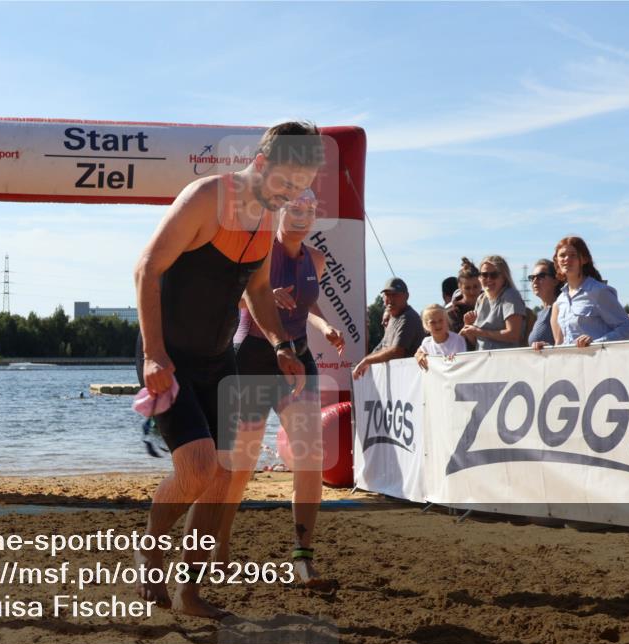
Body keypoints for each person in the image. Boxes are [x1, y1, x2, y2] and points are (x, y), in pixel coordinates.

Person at [133, 121, 322, 617]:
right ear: (260, 163)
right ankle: (150, 546)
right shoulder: (206, 198)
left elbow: (256, 289)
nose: (290, 196)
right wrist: (153, 354)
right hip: (169, 356)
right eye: (286, 183)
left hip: (218, 359)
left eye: (301, 187)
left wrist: (281, 344)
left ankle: (189, 593)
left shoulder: (267, 216)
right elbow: (147, 268)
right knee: (197, 467)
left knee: (224, 474)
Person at [214, 188, 344, 588]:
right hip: (253, 358)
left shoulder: (316, 259)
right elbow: (232, 297)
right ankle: (219, 548)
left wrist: (324, 326)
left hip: (297, 358)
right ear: (279, 212)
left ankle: (303, 557)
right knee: (242, 464)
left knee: (311, 456)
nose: (302, 215)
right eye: (295, 208)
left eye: (309, 209)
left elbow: (308, 304)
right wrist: (263, 296)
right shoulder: (257, 249)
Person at [533, 236, 629, 349]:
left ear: (584, 259)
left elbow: (628, 328)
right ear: (557, 261)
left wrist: (595, 343)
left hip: (598, 359)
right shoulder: (560, 301)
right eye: (562, 255)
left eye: (573, 255)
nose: (566, 259)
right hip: (571, 360)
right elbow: (561, 345)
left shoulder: (599, 291)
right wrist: (546, 349)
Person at [352, 277, 423, 379]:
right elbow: (382, 346)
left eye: (394, 295)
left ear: (406, 296)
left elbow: (396, 352)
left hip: (408, 380)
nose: (390, 299)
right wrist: (365, 361)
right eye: (387, 295)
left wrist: (367, 361)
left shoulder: (408, 318)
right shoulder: (393, 317)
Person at [460, 255, 526, 351]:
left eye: (493, 275)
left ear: (504, 277)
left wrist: (481, 332)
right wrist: (469, 326)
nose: (488, 279)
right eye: (484, 275)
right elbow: (477, 341)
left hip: (504, 358)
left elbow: (513, 335)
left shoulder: (510, 296)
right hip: (483, 357)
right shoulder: (481, 299)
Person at [415, 303, 466, 370]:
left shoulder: (457, 340)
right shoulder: (426, 342)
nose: (438, 325)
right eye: (432, 322)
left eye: (441, 320)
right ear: (426, 325)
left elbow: (462, 364)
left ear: (446, 321)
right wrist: (419, 355)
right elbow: (419, 353)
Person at [446, 258, 482, 351]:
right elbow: (448, 344)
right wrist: (466, 328)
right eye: (467, 288)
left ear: (481, 284)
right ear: (460, 287)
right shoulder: (452, 313)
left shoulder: (492, 306)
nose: (472, 291)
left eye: (475, 286)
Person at [527, 259, 562, 346]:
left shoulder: (562, 308)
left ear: (555, 280)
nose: (535, 281)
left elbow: (564, 343)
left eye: (541, 276)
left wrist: (548, 347)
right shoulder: (540, 314)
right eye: (532, 277)